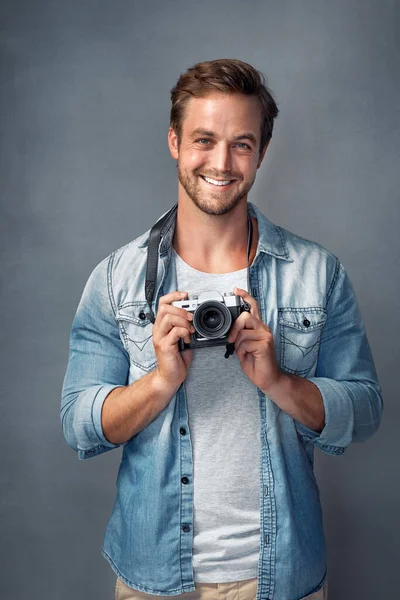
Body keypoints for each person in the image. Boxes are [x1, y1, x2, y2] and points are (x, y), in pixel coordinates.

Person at [61, 59, 382, 600]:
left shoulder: (317, 274)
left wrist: (280, 381)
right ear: (174, 141)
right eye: (204, 139)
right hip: (154, 579)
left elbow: (365, 411)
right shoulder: (116, 279)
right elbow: (79, 426)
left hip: (280, 578)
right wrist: (159, 383)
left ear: (261, 152)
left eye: (241, 143)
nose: (221, 161)